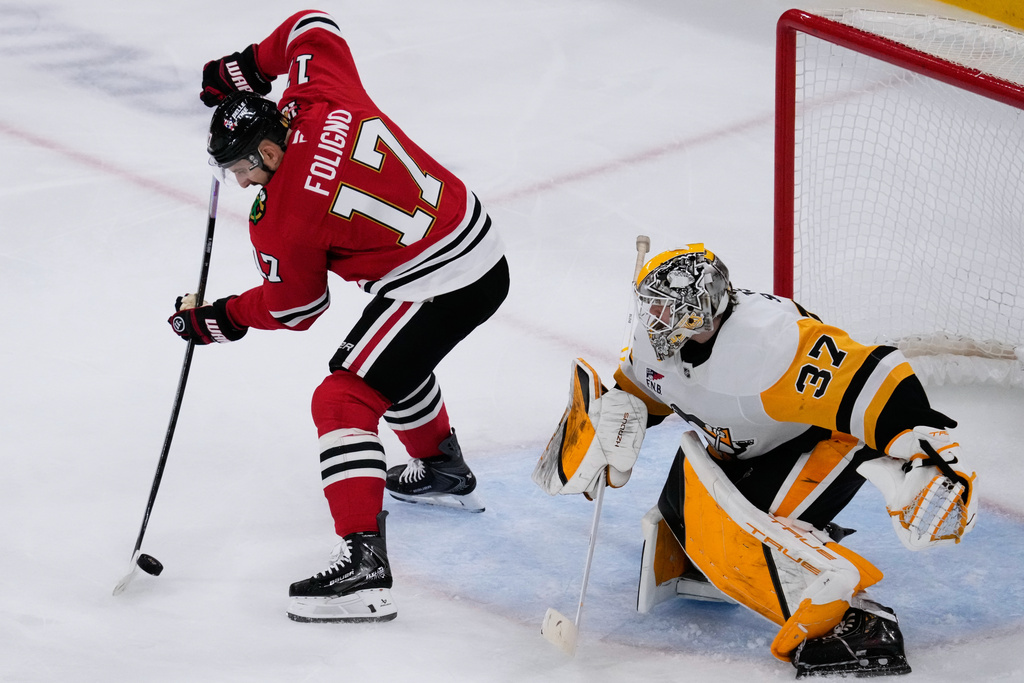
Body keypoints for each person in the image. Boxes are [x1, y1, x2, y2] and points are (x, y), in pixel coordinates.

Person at [169, 9, 508, 623]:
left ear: (270, 150)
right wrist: (242, 69)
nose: (241, 181)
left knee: (343, 397)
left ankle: (364, 569)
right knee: (382, 359)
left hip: (442, 282)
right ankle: (442, 470)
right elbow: (313, 25)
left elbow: (298, 308)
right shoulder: (318, 93)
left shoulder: (283, 217)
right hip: (473, 244)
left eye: (244, 168)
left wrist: (219, 317)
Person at [533, 243, 977, 677]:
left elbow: (872, 378)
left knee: (747, 541)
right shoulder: (658, 341)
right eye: (650, 307)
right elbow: (655, 388)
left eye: (666, 309)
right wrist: (621, 418)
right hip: (745, 443)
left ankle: (856, 622)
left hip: (821, 440)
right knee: (684, 521)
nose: (654, 320)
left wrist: (930, 458)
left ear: (701, 309)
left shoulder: (769, 345)